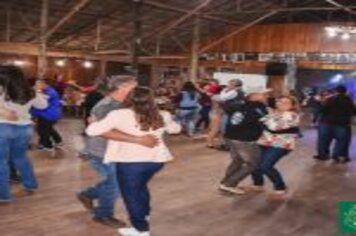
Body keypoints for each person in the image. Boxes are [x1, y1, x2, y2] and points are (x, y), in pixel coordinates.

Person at [86, 86, 181, 236]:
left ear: (129, 99)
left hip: (131, 163)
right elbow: (175, 129)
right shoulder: (162, 114)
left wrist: (93, 122)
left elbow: (91, 131)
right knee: (140, 188)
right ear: (152, 99)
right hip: (155, 161)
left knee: (132, 196)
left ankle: (140, 229)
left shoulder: (119, 114)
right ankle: (144, 215)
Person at [77, 75, 159, 228]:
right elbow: (103, 132)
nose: (137, 90)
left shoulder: (125, 104)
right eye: (133, 87)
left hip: (117, 150)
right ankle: (103, 214)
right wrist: (139, 140)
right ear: (122, 88)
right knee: (116, 184)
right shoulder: (106, 106)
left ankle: (87, 194)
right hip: (102, 152)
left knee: (115, 182)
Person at [0, 66, 48, 202]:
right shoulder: (30, 91)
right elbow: (43, 106)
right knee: (21, 158)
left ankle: (3, 195)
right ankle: (31, 184)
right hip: (24, 128)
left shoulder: (1, 89)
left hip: (2, 128)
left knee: (1, 162)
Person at [219, 88, 270, 194]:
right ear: (253, 96)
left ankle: (225, 183)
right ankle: (230, 184)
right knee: (253, 164)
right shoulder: (257, 107)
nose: (267, 96)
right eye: (263, 94)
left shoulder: (239, 105)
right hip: (245, 139)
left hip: (231, 137)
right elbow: (267, 122)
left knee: (237, 161)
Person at [251, 96, 301, 197]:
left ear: (292, 106)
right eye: (279, 101)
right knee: (254, 164)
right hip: (264, 142)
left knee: (266, 166)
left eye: (285, 102)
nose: (281, 103)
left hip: (281, 144)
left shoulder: (291, 115)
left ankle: (280, 186)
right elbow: (259, 121)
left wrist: (269, 116)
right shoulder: (275, 113)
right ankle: (258, 183)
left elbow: (274, 127)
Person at [314, 85, 355, 163]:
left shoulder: (329, 99)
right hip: (342, 124)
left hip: (326, 123)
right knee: (342, 141)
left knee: (323, 140)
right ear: (345, 91)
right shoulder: (348, 100)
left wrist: (320, 103)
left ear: (335, 91)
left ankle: (323, 155)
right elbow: (353, 112)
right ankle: (338, 155)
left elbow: (321, 109)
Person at [31, 79, 63, 153]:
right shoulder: (44, 91)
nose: (35, 86)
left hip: (49, 114)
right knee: (48, 129)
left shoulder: (50, 91)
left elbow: (43, 101)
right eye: (35, 84)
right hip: (45, 114)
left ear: (44, 84)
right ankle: (58, 141)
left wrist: (36, 92)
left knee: (42, 130)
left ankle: (47, 146)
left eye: (37, 84)